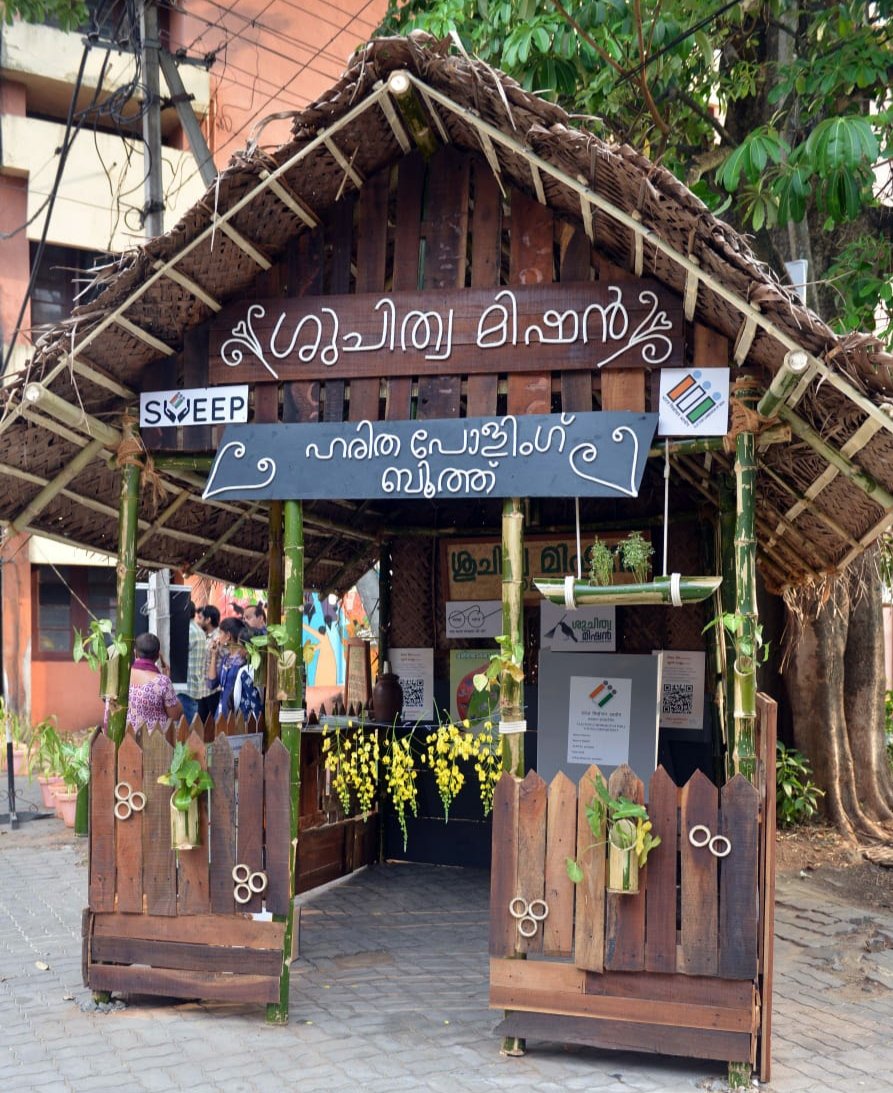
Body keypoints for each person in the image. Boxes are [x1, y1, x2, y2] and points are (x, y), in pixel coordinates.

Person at [206, 618, 263, 719]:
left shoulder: (244, 662)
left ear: (228, 636)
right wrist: (214, 656)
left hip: (237, 712)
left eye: (220, 633)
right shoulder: (226, 658)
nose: (218, 637)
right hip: (222, 709)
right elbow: (211, 684)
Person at [127, 632, 182, 732]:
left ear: (135, 653)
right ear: (157, 656)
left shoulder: (124, 677)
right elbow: (175, 715)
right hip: (155, 741)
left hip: (128, 738)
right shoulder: (162, 682)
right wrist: (167, 680)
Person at [177, 601, 212, 724]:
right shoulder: (197, 629)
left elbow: (176, 655)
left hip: (185, 687)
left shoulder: (186, 630)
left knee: (184, 729)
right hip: (193, 685)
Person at [197, 605, 221, 721]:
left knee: (216, 723)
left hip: (214, 689)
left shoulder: (219, 637)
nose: (198, 621)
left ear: (208, 620)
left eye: (200, 618)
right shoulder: (204, 636)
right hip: (203, 688)